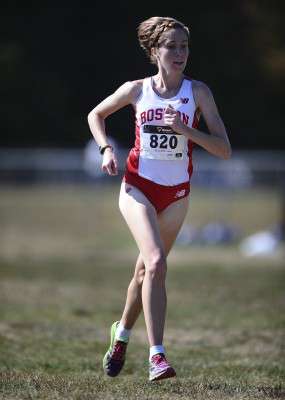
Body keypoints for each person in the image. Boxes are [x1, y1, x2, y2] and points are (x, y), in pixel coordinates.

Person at [87, 16, 231, 382]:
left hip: (177, 194)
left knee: (145, 271)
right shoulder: (137, 90)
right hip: (138, 187)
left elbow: (224, 149)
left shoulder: (198, 93)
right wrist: (105, 148)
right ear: (155, 52)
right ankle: (158, 357)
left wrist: (186, 129)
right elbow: (96, 114)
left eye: (184, 46)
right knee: (155, 263)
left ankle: (120, 335)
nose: (180, 53)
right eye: (171, 46)